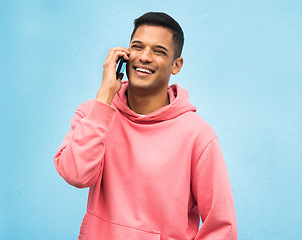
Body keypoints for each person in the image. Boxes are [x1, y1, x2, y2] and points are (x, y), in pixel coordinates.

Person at [54, 12, 238, 240]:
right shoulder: (93, 114)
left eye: (159, 51)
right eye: (138, 47)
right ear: (124, 55)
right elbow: (76, 175)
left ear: (176, 65)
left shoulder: (198, 135)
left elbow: (222, 227)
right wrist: (104, 97)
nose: (145, 57)